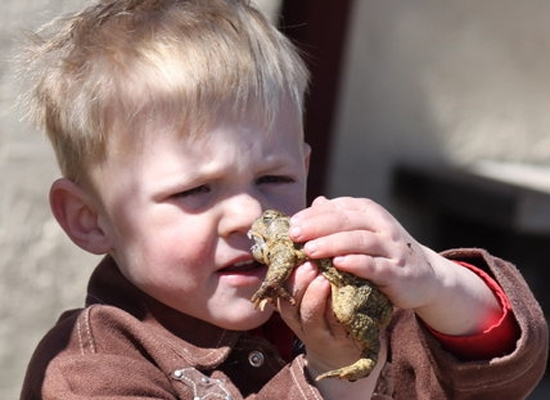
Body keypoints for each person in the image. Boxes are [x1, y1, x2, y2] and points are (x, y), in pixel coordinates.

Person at [18, 0, 547, 399]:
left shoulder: (344, 293)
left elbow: (500, 377)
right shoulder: (91, 369)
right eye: (195, 190)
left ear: (306, 168)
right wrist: (328, 376)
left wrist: (436, 282)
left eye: (273, 179)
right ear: (90, 220)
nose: (250, 215)